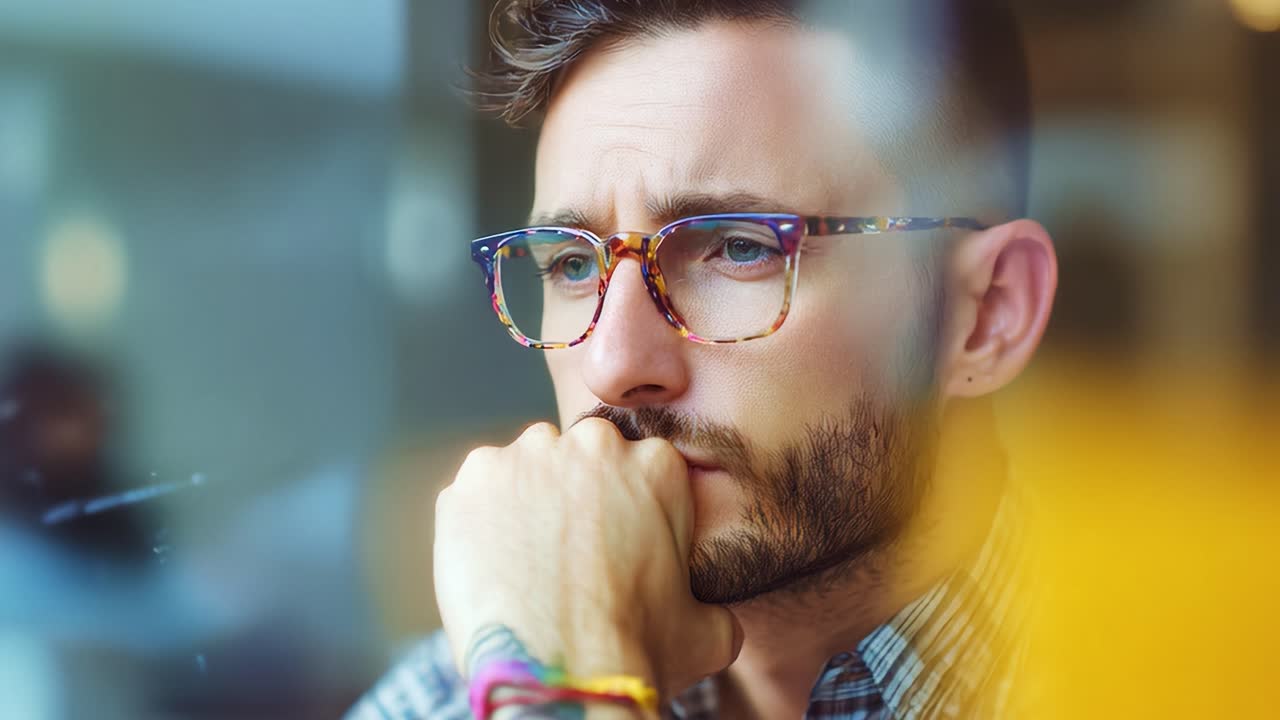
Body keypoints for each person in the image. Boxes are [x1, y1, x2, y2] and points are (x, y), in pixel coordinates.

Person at [351, 0, 1057, 717]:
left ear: (986, 313)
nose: (612, 365)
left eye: (738, 248)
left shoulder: (1138, 673)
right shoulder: (470, 687)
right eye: (570, 264)